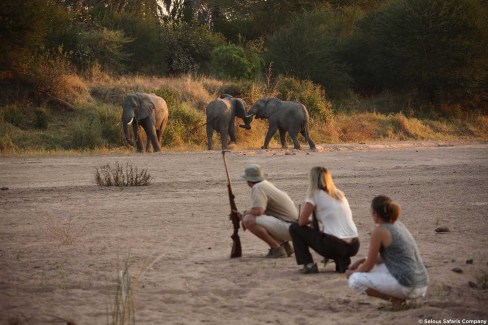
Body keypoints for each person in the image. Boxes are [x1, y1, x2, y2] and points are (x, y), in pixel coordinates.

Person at [346, 195, 429, 308]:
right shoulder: (398, 225)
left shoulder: (379, 231)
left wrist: (353, 273)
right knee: (374, 267)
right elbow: (384, 258)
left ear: (375, 214)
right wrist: (361, 260)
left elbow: (368, 266)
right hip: (422, 283)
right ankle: (399, 297)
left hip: (408, 286)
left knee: (354, 280)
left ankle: (395, 300)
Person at [289, 167, 359, 274]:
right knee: (331, 233)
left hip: (335, 246)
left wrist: (311, 221)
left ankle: (308, 264)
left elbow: (302, 222)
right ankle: (343, 261)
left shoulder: (314, 195)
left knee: (294, 228)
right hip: (353, 245)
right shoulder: (339, 194)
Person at [238, 164, 298, 258]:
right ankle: (285, 246)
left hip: (289, 227)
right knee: (250, 218)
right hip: (293, 227)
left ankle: (277, 248)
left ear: (249, 180)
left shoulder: (258, 187)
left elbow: (258, 211)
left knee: (248, 220)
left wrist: (245, 215)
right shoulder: (266, 185)